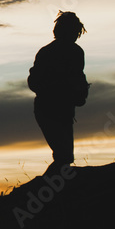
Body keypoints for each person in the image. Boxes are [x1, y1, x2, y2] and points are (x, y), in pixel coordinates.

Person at [28, 11, 89, 176]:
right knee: (64, 156)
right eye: (75, 31)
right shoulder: (67, 52)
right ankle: (47, 191)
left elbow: (77, 78)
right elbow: (34, 82)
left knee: (64, 156)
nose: (76, 35)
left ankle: (51, 191)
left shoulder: (54, 52)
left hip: (58, 109)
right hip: (50, 109)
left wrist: (77, 93)